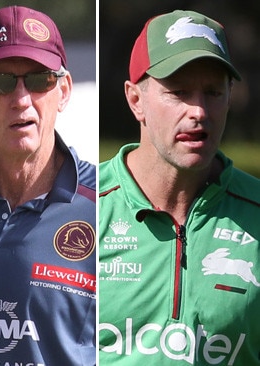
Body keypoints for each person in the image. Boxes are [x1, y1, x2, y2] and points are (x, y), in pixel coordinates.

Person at [0, 5, 97, 365]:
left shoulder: (107, 205)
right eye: (0, 82)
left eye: (40, 80)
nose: (21, 99)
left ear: (64, 90)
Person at [98, 9, 260, 365]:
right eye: (178, 92)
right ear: (135, 100)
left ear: (231, 97)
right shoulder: (77, 209)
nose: (199, 111)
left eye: (213, 92)